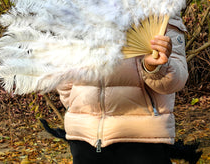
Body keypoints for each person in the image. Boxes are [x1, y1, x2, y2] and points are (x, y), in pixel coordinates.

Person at [56, 15, 188, 164]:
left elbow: (176, 81)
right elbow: (64, 75)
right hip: (85, 139)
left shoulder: (161, 12)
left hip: (143, 139)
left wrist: (154, 68)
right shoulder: (77, 10)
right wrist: (76, 106)